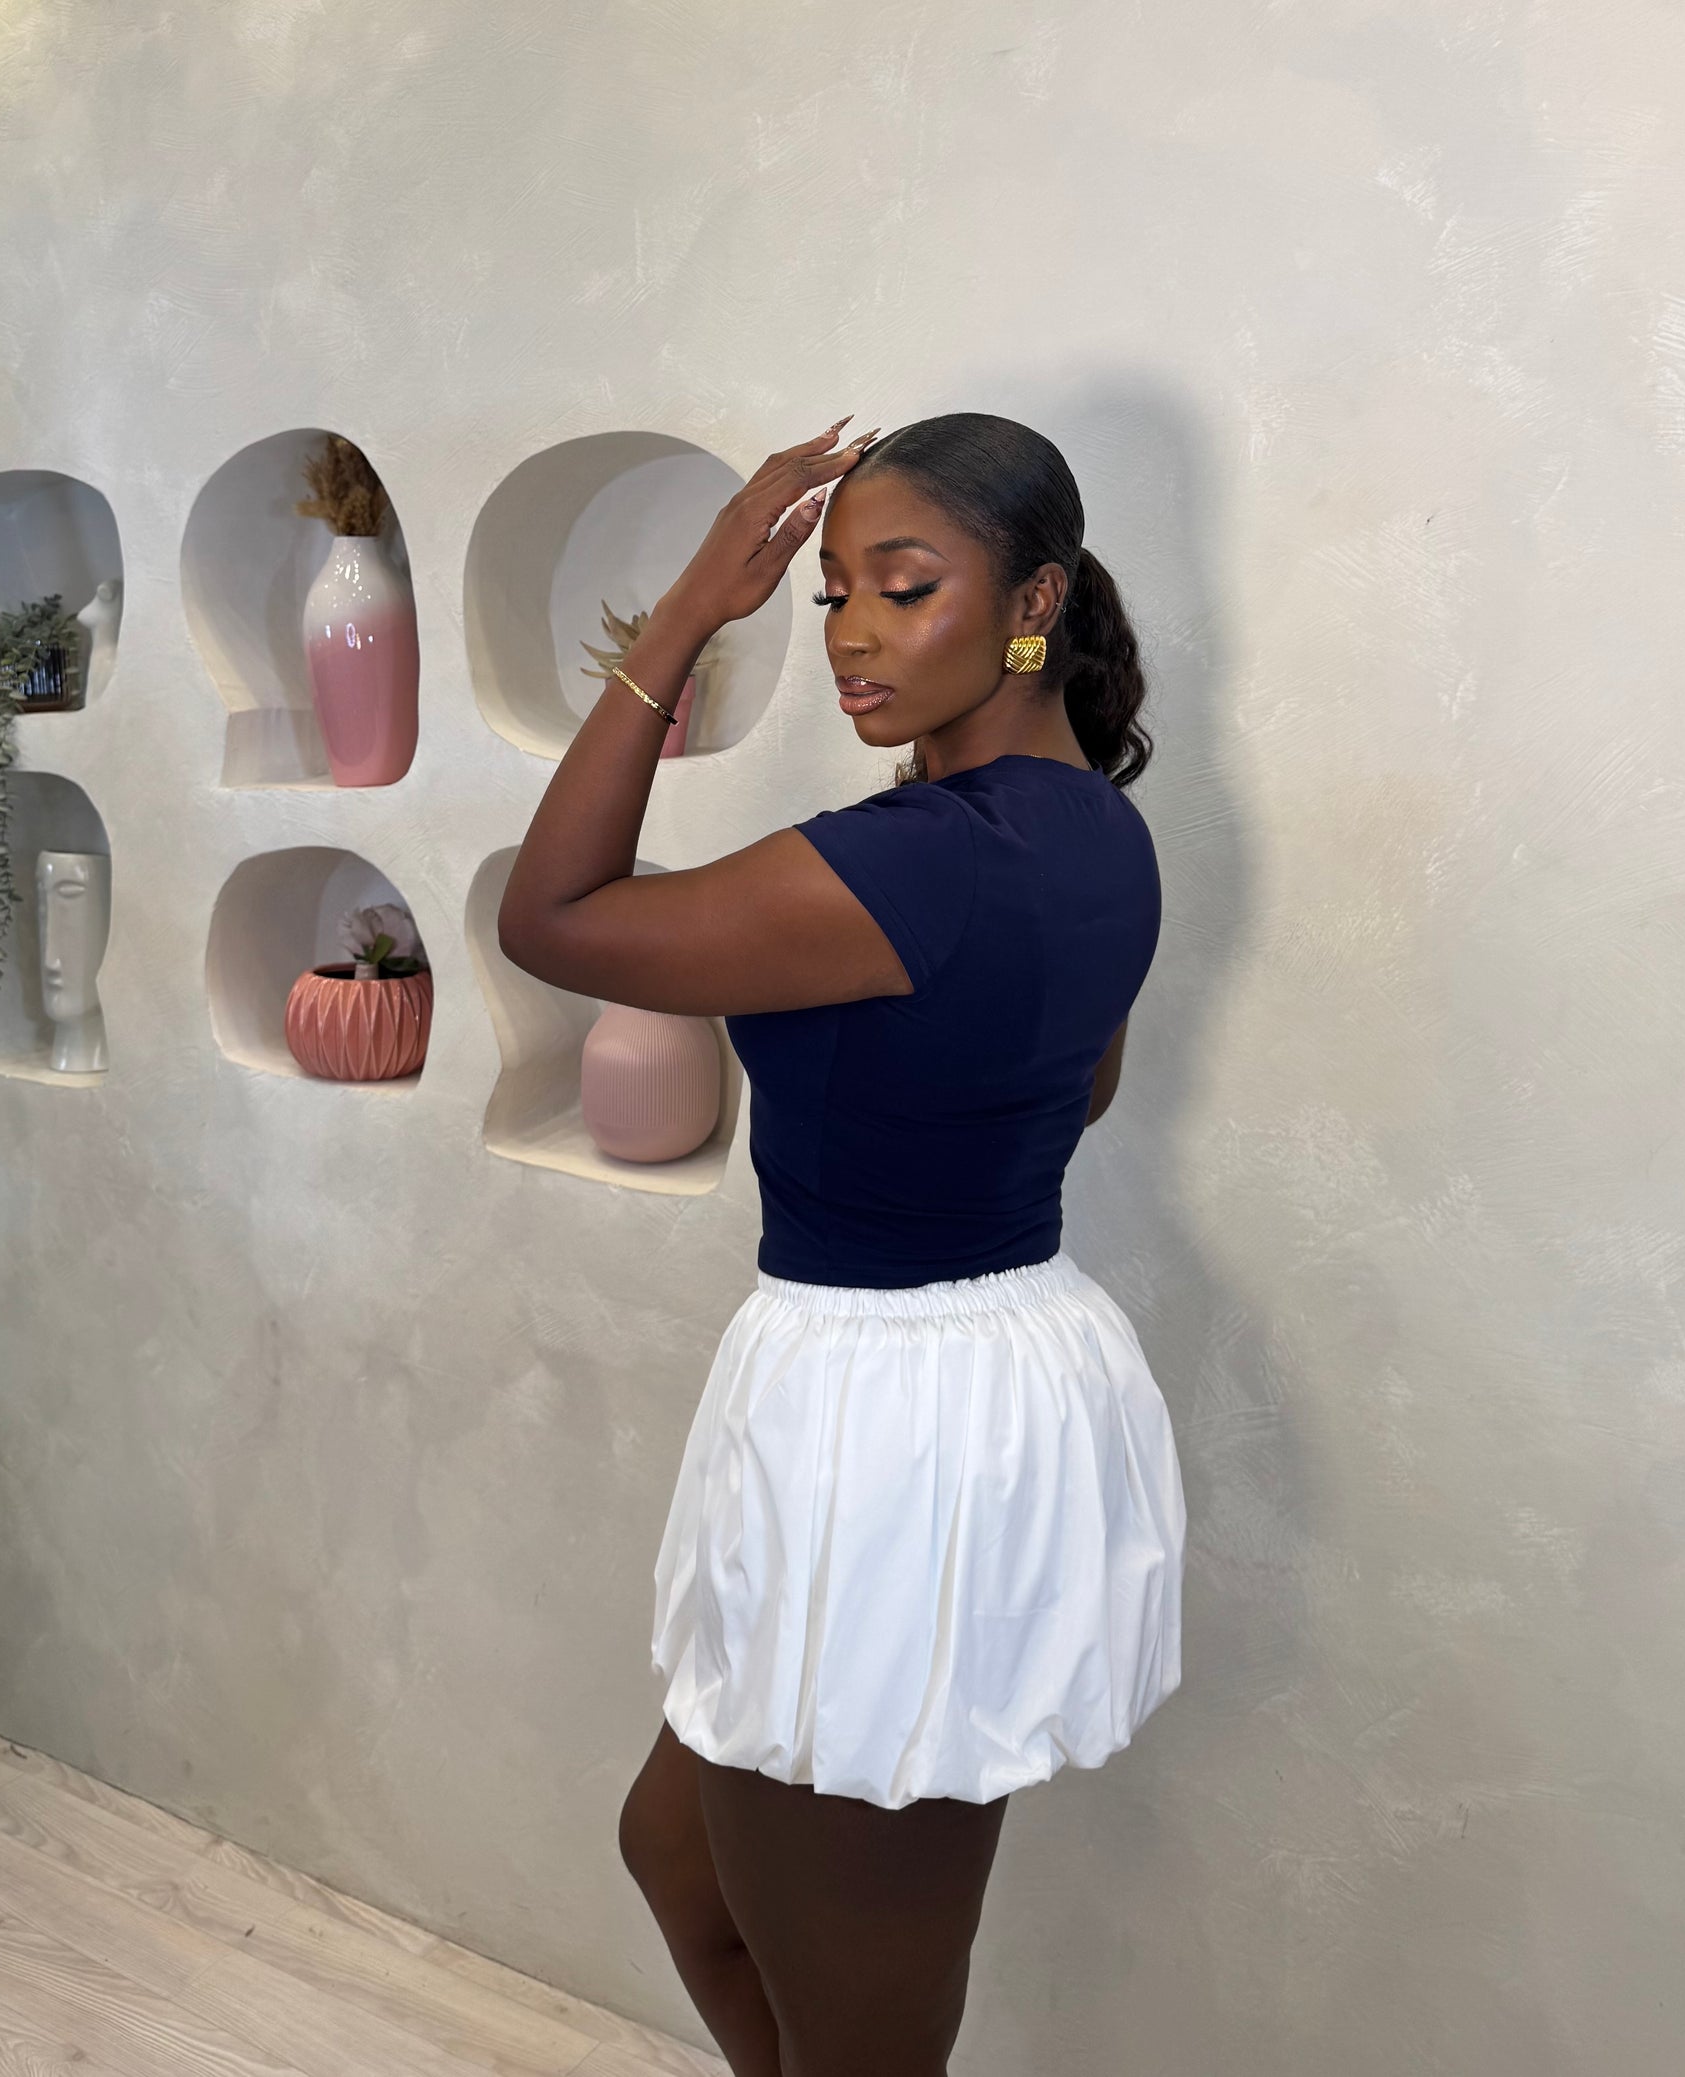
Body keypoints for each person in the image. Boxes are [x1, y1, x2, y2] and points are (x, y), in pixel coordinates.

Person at [497, 411, 1187, 2077]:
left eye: (904, 586)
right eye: (826, 596)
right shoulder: (1094, 828)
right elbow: (1082, 1088)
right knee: (683, 1857)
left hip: (896, 1420)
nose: (849, 635)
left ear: (1032, 602)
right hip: (971, 1364)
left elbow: (551, 916)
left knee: (865, 2017)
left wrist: (688, 610)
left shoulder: (914, 864)